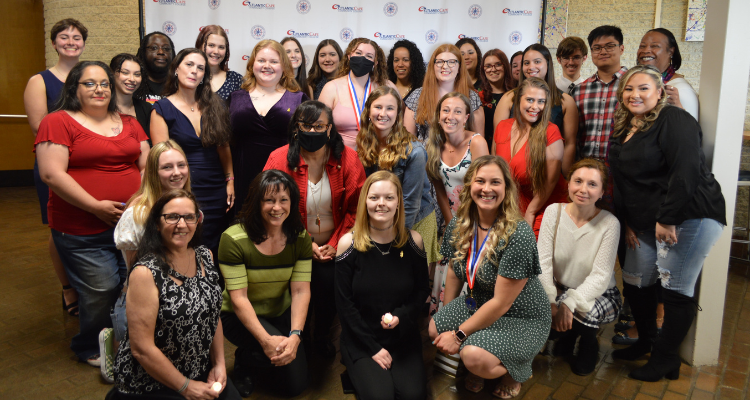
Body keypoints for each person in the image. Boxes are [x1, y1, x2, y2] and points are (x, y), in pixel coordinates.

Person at [608, 65, 726, 382]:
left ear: (659, 92)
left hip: (689, 216)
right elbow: (623, 182)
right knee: (635, 280)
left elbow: (686, 171)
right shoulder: (623, 126)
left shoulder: (674, 119)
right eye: (629, 89)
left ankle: (666, 359)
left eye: (644, 88)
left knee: (675, 288)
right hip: (646, 222)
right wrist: (629, 222)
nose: (635, 94)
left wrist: (668, 217)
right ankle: (646, 342)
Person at [34, 61, 150, 366]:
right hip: (80, 226)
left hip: (129, 226)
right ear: (74, 88)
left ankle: (127, 342)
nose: (99, 89)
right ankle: (89, 345)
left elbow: (146, 166)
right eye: (89, 83)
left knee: (132, 285)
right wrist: (95, 206)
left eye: (104, 83)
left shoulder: (129, 122)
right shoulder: (58, 121)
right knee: (102, 288)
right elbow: (52, 174)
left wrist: (137, 202)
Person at [429, 155, 551, 398]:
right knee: (435, 328)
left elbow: (502, 302)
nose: (487, 189)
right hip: (479, 301)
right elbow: (454, 271)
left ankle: (514, 371)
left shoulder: (519, 234)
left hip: (521, 314)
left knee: (473, 356)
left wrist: (458, 334)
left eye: (495, 182)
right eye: (480, 181)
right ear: (469, 187)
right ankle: (481, 352)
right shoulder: (459, 224)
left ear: (506, 188)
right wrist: (447, 312)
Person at [111, 190, 241, 400]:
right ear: (156, 223)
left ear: (197, 221)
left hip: (198, 368)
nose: (182, 224)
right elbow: (142, 349)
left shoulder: (204, 256)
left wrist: (219, 364)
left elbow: (212, 314)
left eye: (189, 217)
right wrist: (186, 387)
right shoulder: (145, 272)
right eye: (172, 217)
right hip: (151, 381)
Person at [263, 101, 366, 359]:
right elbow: (269, 209)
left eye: (319, 125)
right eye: (306, 125)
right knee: (300, 281)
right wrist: (305, 242)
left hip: (336, 242)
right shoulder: (279, 158)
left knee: (327, 281)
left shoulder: (348, 159)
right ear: (296, 128)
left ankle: (321, 337)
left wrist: (337, 241)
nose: (312, 131)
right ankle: (300, 337)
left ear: (330, 129)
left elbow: (357, 208)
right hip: (292, 242)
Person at [334, 171, 430, 400]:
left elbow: (421, 291)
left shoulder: (414, 241)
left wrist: (401, 316)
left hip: (402, 335)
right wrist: (372, 348)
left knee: (413, 395)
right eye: (374, 197)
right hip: (361, 338)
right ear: (364, 201)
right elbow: (344, 305)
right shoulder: (348, 244)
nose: (381, 204)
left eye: (389, 198)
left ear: (398, 202)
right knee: (381, 396)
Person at [103, 140, 192, 383]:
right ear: (153, 172)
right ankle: (114, 341)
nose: (176, 173)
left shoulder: (188, 205)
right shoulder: (138, 213)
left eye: (181, 165)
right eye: (167, 167)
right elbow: (134, 272)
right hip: (144, 298)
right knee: (137, 370)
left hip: (176, 293)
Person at [219, 170, 312, 397]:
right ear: (256, 202)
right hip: (238, 315)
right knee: (271, 352)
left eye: (283, 200)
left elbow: (300, 291)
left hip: (279, 312)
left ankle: (264, 357)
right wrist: (265, 340)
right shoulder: (233, 239)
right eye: (269, 200)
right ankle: (246, 358)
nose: (276, 207)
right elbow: (239, 298)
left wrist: (296, 335)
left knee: (296, 386)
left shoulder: (300, 238)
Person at [23, 18, 88, 318]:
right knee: (59, 227)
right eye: (64, 37)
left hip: (88, 164)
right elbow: (40, 127)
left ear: (84, 43)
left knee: (85, 224)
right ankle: (67, 287)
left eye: (76, 37)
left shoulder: (89, 77)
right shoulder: (39, 81)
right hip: (56, 164)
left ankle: (89, 285)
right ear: (53, 43)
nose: (71, 42)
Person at [538, 159, 621, 376]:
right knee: (534, 306)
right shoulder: (553, 213)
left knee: (584, 313)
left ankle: (588, 342)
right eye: (578, 181)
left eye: (592, 184)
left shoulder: (610, 223)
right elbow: (543, 263)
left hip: (599, 293)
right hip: (559, 287)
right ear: (568, 184)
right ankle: (566, 335)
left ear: (602, 191)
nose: (583, 189)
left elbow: (601, 276)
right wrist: (550, 299)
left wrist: (568, 303)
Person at [151, 48, 234, 257]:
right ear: (176, 69)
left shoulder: (215, 105)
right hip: (182, 187)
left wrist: (230, 180)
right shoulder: (161, 108)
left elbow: (223, 147)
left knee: (216, 247)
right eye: (189, 65)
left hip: (216, 189)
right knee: (187, 246)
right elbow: (161, 158)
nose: (194, 71)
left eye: (200, 68)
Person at [356, 86, 439, 264]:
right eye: (378, 107)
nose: (383, 113)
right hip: (382, 220)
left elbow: (410, 205)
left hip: (414, 221)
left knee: (411, 281)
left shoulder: (414, 152)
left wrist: (392, 240)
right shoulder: (364, 143)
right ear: (368, 111)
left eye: (390, 108)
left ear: (398, 114)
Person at [230, 39, 309, 215]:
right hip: (242, 175)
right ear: (252, 65)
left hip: (285, 174)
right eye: (261, 61)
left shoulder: (298, 99)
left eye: (274, 61)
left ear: (284, 66)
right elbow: (225, 142)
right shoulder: (235, 98)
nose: (267, 66)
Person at [493, 78, 568, 239]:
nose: (535, 107)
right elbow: (495, 170)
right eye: (530, 100)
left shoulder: (551, 132)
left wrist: (530, 213)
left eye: (541, 101)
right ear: (518, 99)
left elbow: (550, 182)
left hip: (544, 206)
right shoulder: (502, 127)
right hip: (512, 205)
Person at [494, 44, 578, 177]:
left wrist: (565, 177)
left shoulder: (565, 101)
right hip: (511, 175)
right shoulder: (509, 98)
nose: (531, 67)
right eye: (526, 63)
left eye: (537, 61)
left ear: (548, 64)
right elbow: (498, 140)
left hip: (548, 175)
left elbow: (570, 144)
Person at [318, 37, 395, 149]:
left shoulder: (387, 87)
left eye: (369, 56)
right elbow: (320, 125)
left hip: (379, 154)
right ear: (349, 56)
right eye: (358, 53)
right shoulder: (331, 88)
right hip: (340, 154)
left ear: (375, 63)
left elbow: (398, 122)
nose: (362, 58)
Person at [404, 44, 485, 143]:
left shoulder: (472, 97)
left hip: (460, 156)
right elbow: (407, 143)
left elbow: (478, 140)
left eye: (452, 62)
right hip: (425, 156)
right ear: (433, 66)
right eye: (439, 62)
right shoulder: (417, 96)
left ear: (459, 67)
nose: (445, 66)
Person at [570, 25, 628, 162]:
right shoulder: (579, 91)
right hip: (585, 168)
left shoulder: (634, 87)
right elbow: (574, 136)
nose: (603, 52)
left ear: (621, 49)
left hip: (622, 170)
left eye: (609, 46)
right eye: (597, 48)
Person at [636, 28, 699, 121]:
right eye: (642, 46)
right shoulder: (643, 84)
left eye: (654, 46)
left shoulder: (680, 92)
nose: (646, 50)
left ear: (671, 51)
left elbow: (690, 133)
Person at [110, 54, 153, 141]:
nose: (132, 79)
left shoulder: (146, 109)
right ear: (112, 74)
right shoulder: (101, 107)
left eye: (137, 74)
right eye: (125, 73)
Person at [195, 25, 244, 100]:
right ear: (200, 46)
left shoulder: (236, 80)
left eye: (221, 47)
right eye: (211, 45)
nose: (216, 51)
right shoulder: (190, 76)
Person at [477, 49, 513, 144]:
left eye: (498, 64)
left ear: (505, 66)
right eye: (488, 66)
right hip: (482, 150)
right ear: (483, 70)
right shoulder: (476, 96)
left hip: (507, 148)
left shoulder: (515, 95)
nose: (493, 69)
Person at [134, 32, 176, 103]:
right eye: (154, 48)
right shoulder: (134, 84)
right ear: (143, 52)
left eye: (166, 48)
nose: (161, 52)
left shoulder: (179, 85)